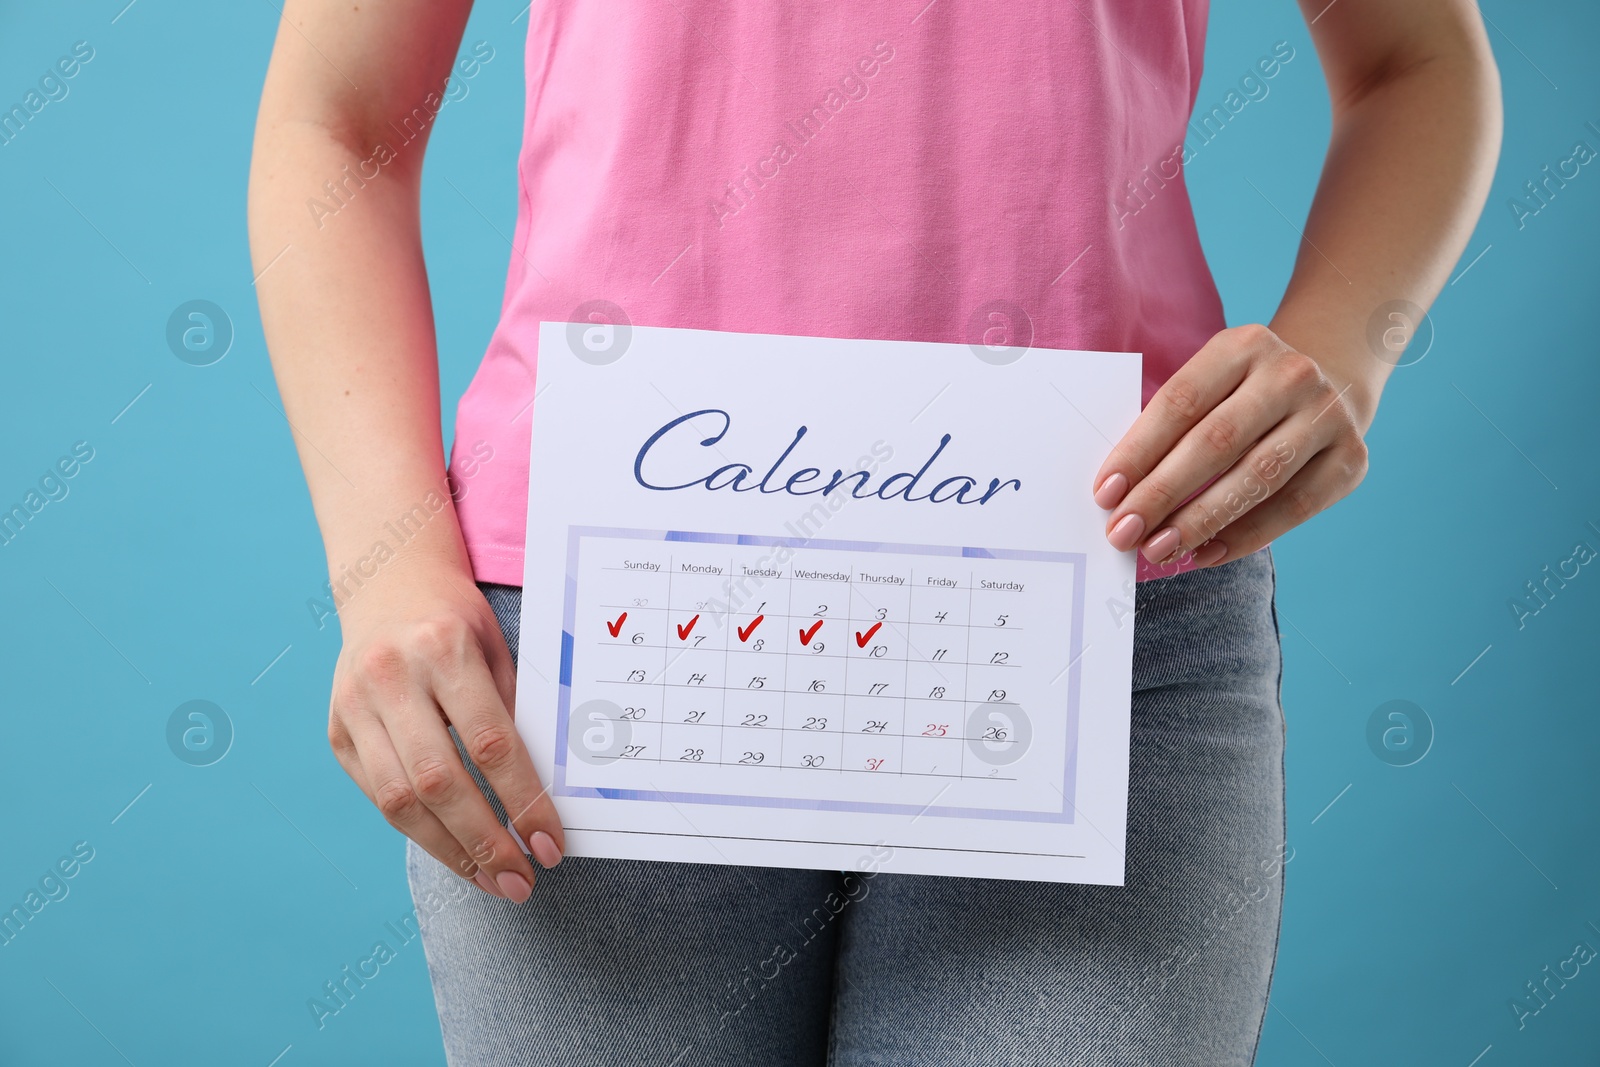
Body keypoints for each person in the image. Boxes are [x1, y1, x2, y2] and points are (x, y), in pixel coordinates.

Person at [248, 0, 1500, 1062]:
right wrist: (387, 564)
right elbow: (333, 121)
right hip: (597, 628)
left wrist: (1343, 347)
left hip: (1099, 606)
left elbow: (1417, 62)